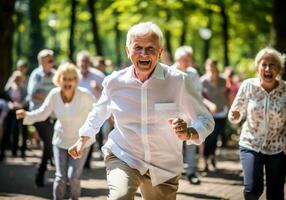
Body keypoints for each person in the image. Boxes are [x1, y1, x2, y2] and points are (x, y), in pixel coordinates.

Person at [68, 21, 214, 200]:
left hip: (164, 165)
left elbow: (206, 119)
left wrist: (190, 133)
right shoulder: (114, 82)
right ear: (128, 51)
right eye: (138, 47)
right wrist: (82, 140)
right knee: (119, 197)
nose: (144, 54)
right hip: (124, 154)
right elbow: (98, 113)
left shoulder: (179, 81)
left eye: (150, 48)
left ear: (160, 52)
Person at [17, 62, 96, 200]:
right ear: (59, 79)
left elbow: (98, 111)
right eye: (64, 78)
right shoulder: (54, 94)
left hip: (80, 142)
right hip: (60, 140)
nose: (67, 82)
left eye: (71, 78)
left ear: (76, 80)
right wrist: (27, 115)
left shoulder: (85, 95)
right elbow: (42, 113)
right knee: (60, 177)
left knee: (73, 177)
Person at [228, 47, 286, 200]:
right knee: (252, 190)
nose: (268, 68)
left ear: (279, 69)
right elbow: (235, 113)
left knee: (276, 194)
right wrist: (235, 115)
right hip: (251, 143)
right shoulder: (248, 86)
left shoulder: (285, 90)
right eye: (264, 64)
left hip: (277, 147)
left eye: (272, 65)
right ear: (258, 67)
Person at [26, 49, 56, 186]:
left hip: (53, 115)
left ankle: (45, 171)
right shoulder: (36, 75)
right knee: (49, 141)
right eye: (49, 59)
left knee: (51, 142)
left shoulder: (56, 74)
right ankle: (43, 171)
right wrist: (51, 98)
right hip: (37, 114)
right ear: (41, 62)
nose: (52, 61)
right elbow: (32, 94)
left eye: (52, 58)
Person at [172, 45, 202, 185]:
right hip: (173, 115)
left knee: (190, 143)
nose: (187, 62)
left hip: (190, 114)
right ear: (177, 59)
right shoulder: (169, 72)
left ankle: (191, 172)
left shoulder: (193, 74)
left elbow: (198, 93)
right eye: (184, 59)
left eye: (189, 59)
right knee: (173, 145)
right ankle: (174, 173)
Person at [76, 50, 106, 166]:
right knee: (79, 134)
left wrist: (99, 88)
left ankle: (86, 161)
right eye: (81, 61)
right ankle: (79, 157)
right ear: (77, 62)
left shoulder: (99, 76)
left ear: (89, 63)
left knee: (90, 134)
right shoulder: (73, 76)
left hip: (94, 112)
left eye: (86, 61)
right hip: (78, 111)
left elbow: (108, 93)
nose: (83, 64)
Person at [200, 58, 228, 172]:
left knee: (216, 137)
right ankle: (206, 160)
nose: (212, 68)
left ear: (216, 67)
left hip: (221, 113)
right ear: (206, 67)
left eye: (213, 65)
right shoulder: (202, 81)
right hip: (208, 113)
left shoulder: (223, 80)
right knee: (209, 137)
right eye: (209, 66)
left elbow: (226, 95)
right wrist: (210, 104)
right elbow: (200, 97)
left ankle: (212, 157)